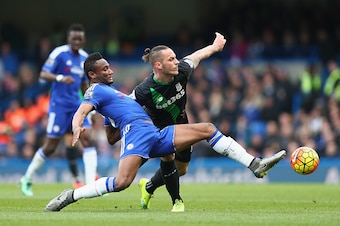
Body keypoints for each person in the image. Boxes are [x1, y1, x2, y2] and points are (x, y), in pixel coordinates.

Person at [44, 52, 286, 212]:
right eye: (105, 69)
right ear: (92, 75)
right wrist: (78, 123)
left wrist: (112, 120)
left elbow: (111, 135)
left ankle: (254, 164)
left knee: (207, 129)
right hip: (137, 134)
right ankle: (71, 196)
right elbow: (83, 110)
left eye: (109, 68)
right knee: (122, 182)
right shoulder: (95, 90)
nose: (110, 72)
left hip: (154, 132)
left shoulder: (112, 95)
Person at [126, 32, 226, 212]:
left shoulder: (181, 71)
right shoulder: (144, 90)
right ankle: (177, 201)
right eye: (171, 58)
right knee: (168, 156)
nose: (176, 61)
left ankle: (148, 186)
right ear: (158, 65)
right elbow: (123, 105)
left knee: (182, 169)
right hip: (160, 129)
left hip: (182, 123)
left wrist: (215, 46)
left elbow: (196, 56)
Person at [20, 23, 98, 196]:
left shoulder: (85, 58)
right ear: (68, 39)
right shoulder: (59, 53)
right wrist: (61, 77)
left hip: (77, 107)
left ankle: (91, 184)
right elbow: (43, 74)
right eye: (73, 38)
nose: (77, 41)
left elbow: (85, 84)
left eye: (80, 39)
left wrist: (91, 106)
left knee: (88, 140)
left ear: (83, 40)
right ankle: (27, 177)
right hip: (59, 107)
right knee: (50, 146)